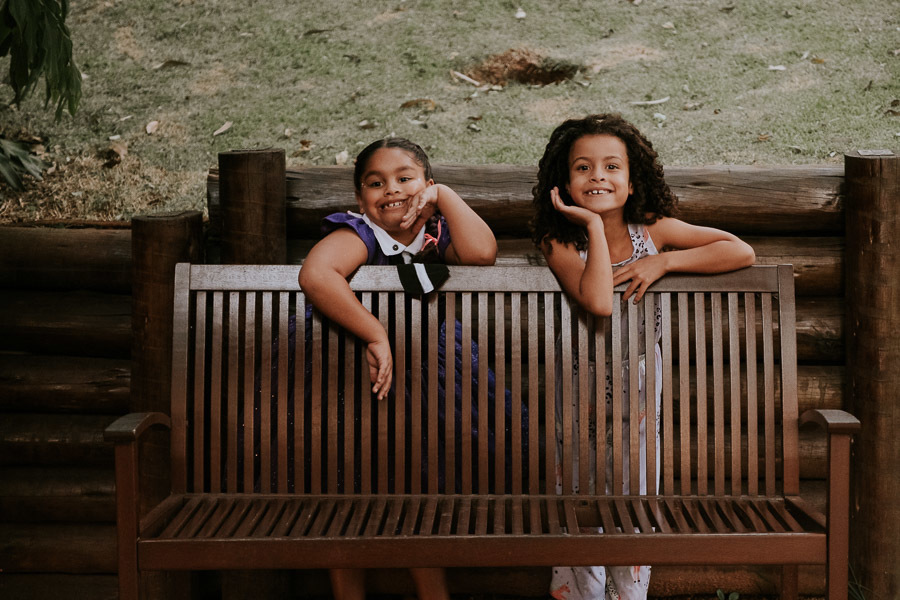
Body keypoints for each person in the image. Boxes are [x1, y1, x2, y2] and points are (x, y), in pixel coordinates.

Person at [530, 114, 755, 600]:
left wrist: (665, 258)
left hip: (637, 399)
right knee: (576, 497)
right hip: (578, 396)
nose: (597, 177)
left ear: (632, 183)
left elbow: (740, 251)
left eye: (612, 167)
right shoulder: (559, 241)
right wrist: (591, 224)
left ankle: (629, 596)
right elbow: (598, 301)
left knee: (634, 496)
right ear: (563, 183)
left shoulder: (653, 232)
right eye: (583, 168)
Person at [298, 137, 498, 600]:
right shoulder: (359, 234)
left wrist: (444, 196)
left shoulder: (437, 233)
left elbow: (482, 254)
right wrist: (374, 333)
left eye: (405, 179)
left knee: (418, 477)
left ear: (426, 185)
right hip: (345, 378)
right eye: (375, 182)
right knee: (343, 482)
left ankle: (433, 591)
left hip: (425, 386)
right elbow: (317, 274)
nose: (391, 189)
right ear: (359, 198)